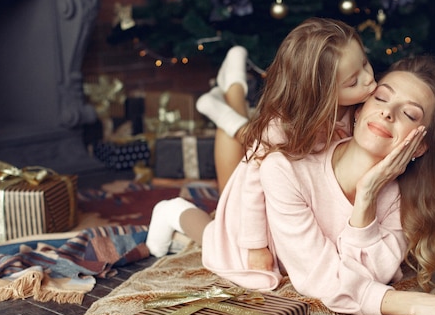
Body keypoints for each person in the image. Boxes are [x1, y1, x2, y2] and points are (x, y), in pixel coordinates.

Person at [146, 55, 435, 315]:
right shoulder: (287, 165)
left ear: (420, 146)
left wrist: (369, 197)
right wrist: (422, 305)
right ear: (358, 109)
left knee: (243, 156)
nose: (388, 113)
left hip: (285, 189)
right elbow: (324, 281)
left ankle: (230, 92)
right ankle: (174, 208)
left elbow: (364, 279)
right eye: (381, 98)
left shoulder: (406, 203)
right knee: (217, 237)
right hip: (259, 199)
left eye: (409, 114)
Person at [148, 17, 377, 265]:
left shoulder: (366, 106)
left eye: (365, 63)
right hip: (266, 205)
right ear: (319, 93)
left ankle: (231, 95)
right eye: (353, 81)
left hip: (301, 209)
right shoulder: (283, 128)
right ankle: (172, 210)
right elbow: (253, 185)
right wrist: (256, 246)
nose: (368, 79)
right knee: (222, 244)